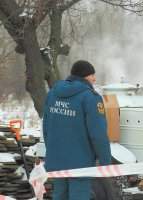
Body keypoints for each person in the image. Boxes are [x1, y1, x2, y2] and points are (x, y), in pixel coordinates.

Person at [43, 60, 111, 200]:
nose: (94, 79)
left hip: (58, 161)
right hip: (80, 164)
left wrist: (53, 152)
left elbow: (46, 128)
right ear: (84, 76)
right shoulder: (90, 97)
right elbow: (98, 134)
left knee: (60, 196)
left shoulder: (52, 94)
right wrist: (106, 163)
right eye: (92, 75)